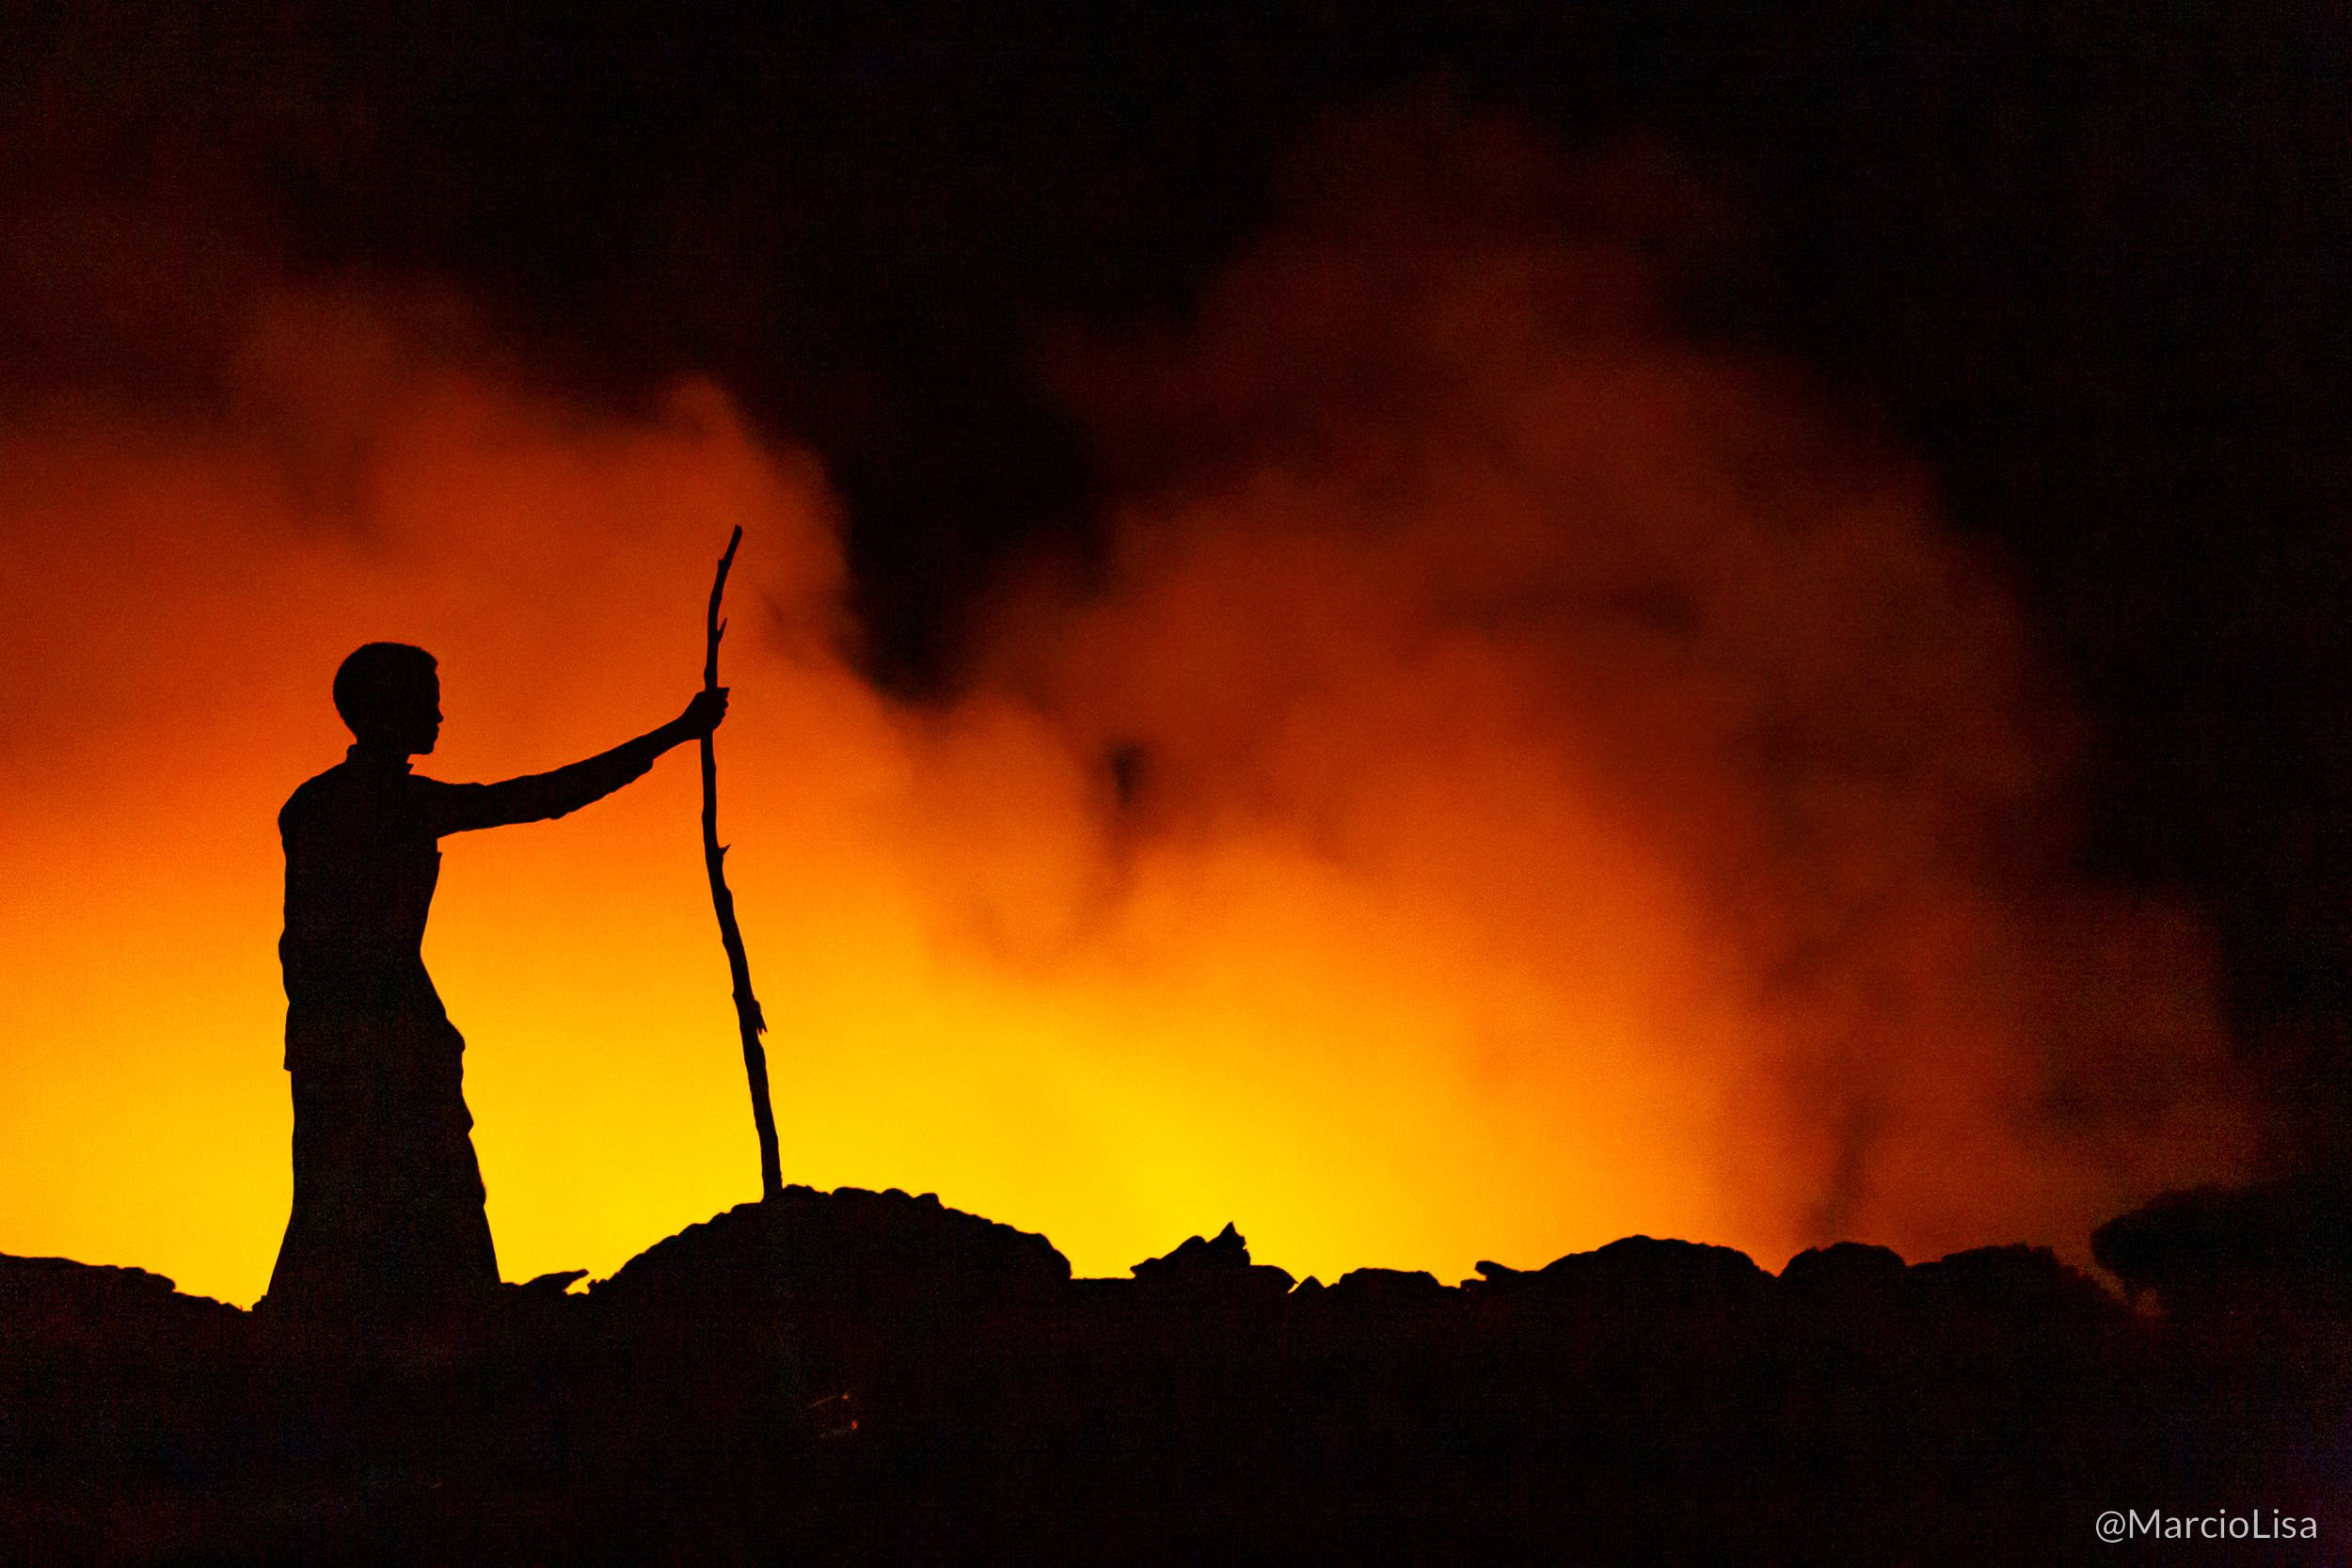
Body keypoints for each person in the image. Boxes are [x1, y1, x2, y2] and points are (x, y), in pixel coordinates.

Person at [262, 641, 726, 1319]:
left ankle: (406, 1314)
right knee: (414, 1176)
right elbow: (540, 799)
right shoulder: (376, 804)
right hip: (376, 1027)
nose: (441, 714)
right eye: (426, 698)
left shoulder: (315, 803)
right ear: (386, 708)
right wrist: (674, 734)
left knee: (358, 1183)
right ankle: (439, 1321)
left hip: (344, 1027)